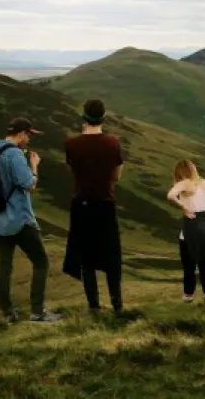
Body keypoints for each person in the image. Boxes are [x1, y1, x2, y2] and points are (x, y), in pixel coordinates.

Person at [0, 118, 63, 324]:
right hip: (19, 218)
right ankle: (37, 313)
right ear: (20, 134)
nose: (29, 139)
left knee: (4, 265)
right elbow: (29, 184)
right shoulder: (14, 154)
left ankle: (7, 313)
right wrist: (34, 166)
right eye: (28, 135)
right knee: (41, 262)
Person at [62, 99, 126, 314]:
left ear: (84, 117)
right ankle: (117, 305)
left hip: (81, 204)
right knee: (111, 255)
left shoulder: (72, 144)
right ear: (103, 117)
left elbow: (74, 171)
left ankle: (94, 307)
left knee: (86, 258)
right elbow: (116, 176)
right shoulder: (113, 143)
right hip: (105, 204)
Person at [167, 159, 205, 303]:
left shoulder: (183, 183)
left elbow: (170, 196)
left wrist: (184, 207)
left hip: (192, 224)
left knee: (189, 264)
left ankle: (189, 296)